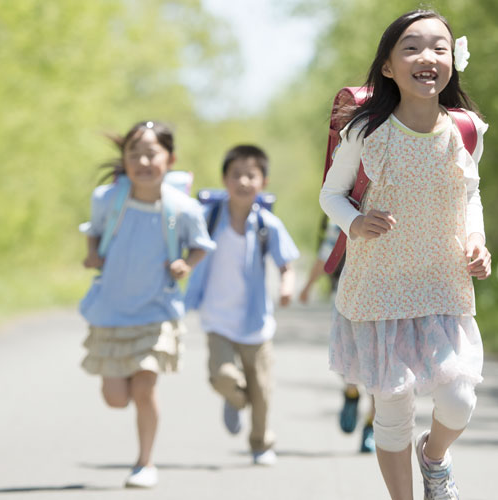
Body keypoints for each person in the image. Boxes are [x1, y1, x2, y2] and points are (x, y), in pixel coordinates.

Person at [319, 9, 492, 500]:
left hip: (443, 285)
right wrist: (355, 222)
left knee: (459, 399)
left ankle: (434, 457)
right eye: (411, 48)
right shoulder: (366, 131)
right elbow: (331, 194)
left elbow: (470, 193)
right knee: (392, 408)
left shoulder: (466, 129)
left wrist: (476, 241)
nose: (426, 57)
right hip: (378, 288)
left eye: (439, 47)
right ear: (388, 66)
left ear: (453, 61)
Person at [78, 120, 215, 488]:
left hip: (156, 312)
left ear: (170, 159)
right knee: (115, 398)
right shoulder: (108, 199)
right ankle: (140, 449)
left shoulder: (182, 208)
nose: (142, 161)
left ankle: (145, 463)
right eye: (134, 154)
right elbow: (93, 231)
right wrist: (92, 254)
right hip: (111, 311)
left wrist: (186, 264)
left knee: (144, 389)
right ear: (124, 159)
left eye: (151, 153)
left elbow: (201, 246)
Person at [185, 145, 299, 466]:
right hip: (217, 318)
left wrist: (287, 286)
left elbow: (286, 264)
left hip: (255, 321)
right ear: (225, 179)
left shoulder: (266, 224)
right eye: (236, 174)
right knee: (221, 376)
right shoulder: (208, 218)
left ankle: (261, 444)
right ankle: (235, 398)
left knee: (262, 390)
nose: (243, 181)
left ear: (263, 182)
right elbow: (181, 237)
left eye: (251, 175)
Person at [299, 215, 376, 453]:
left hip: (385, 302)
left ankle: (371, 427)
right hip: (347, 302)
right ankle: (351, 392)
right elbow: (327, 254)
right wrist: (308, 286)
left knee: (380, 369)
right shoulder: (346, 209)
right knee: (348, 359)